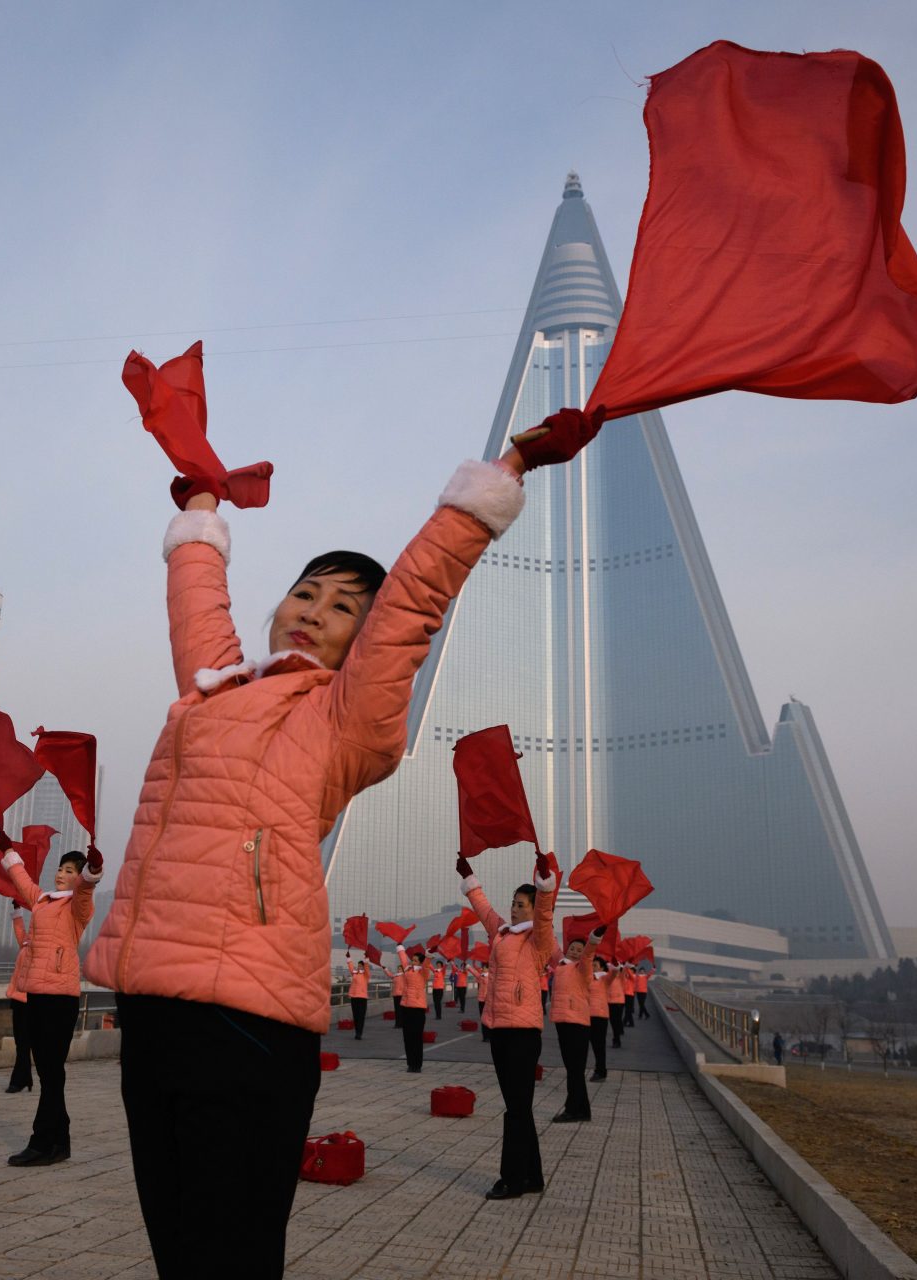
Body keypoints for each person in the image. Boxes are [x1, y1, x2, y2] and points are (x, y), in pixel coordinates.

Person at [82, 406, 583, 1279]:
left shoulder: (349, 721)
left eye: (344, 606)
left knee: (231, 1259)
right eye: (305, 593)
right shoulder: (214, 691)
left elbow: (414, 606)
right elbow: (198, 600)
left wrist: (496, 480)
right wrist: (203, 510)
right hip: (154, 1010)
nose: (315, 612)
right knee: (177, 1252)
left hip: (249, 1020)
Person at [0, 840, 102, 1165]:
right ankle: (60, 1140)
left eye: (69, 871)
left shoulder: (77, 907)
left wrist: (92, 870)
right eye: (60, 868)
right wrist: (7, 853)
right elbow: (22, 880)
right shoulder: (41, 901)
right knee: (47, 1071)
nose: (61, 874)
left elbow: (85, 889)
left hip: (60, 998)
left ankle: (43, 1142)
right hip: (36, 993)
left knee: (51, 1071)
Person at [459, 850, 558, 1199]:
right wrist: (471, 880)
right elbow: (484, 910)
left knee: (515, 1109)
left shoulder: (539, 941)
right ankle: (533, 1176)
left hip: (523, 1033)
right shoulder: (501, 933)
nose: (515, 908)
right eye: (514, 903)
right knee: (520, 1106)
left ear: (533, 909)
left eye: (522, 904)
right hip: (499, 1028)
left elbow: (545, 917)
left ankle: (511, 1180)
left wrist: (544, 887)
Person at [549, 928, 602, 1123]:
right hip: (562, 1021)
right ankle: (583, 1110)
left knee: (574, 1069)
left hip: (577, 1023)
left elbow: (588, 955)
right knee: (573, 1068)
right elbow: (551, 945)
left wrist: (594, 939)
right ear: (567, 949)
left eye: (579, 950)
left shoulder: (583, 968)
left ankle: (572, 1109)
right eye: (573, 948)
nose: (576, 952)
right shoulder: (560, 965)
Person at [4, 909, 35, 1094]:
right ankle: (25, 1078)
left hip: (32, 999)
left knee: (25, 1042)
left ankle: (19, 1080)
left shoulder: (42, 947)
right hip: (18, 998)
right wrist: (16, 910)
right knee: (21, 1042)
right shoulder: (26, 944)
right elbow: (20, 931)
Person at [390, 945, 430, 1072]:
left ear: (420, 962)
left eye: (415, 961)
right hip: (405, 1006)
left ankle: (417, 1065)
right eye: (412, 960)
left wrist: (428, 957)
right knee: (407, 1037)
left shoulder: (423, 973)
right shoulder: (408, 970)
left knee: (417, 1037)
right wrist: (400, 947)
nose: (412, 962)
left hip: (418, 1009)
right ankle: (410, 1064)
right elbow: (403, 961)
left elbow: (426, 966)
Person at [587, 959, 610, 1082]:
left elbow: (613, 975)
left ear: (602, 968)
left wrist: (615, 966)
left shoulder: (604, 978)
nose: (592, 967)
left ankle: (601, 1071)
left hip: (599, 1016)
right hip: (585, 1014)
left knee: (598, 1045)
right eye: (591, 965)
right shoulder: (587, 977)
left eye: (595, 965)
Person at [347, 959, 370, 1040]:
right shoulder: (355, 973)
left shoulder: (366, 975)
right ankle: (357, 1032)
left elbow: (367, 968)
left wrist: (366, 961)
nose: (359, 967)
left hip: (362, 998)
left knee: (361, 1016)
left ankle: (359, 1033)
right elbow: (351, 968)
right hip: (354, 997)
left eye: (360, 966)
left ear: (363, 967)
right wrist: (349, 959)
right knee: (356, 1016)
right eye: (358, 965)